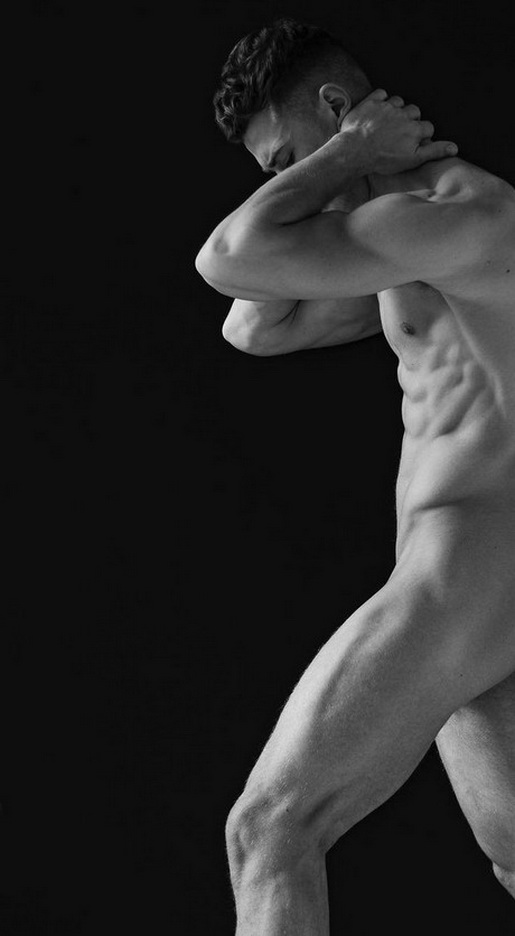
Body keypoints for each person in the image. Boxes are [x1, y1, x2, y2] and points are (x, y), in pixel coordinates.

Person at [195, 17, 515, 935]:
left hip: (473, 556)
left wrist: (345, 154)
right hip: (464, 572)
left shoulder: (464, 215)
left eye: (282, 158)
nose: (282, 183)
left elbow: (226, 260)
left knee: (270, 828)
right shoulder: (395, 253)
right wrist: (338, 162)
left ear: (337, 108)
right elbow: (251, 324)